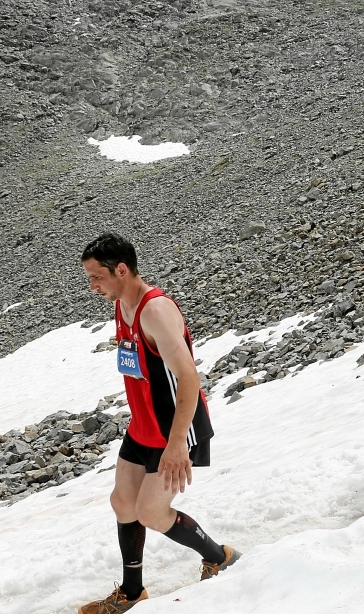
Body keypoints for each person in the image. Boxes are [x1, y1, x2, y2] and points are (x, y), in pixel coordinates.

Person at [79, 233, 239, 614]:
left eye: (96, 277)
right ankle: (132, 594)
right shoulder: (123, 304)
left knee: (151, 512)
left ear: (122, 270)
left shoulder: (155, 310)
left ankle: (220, 557)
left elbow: (188, 377)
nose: (92, 286)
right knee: (123, 503)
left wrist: (177, 442)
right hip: (144, 425)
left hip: (175, 430)